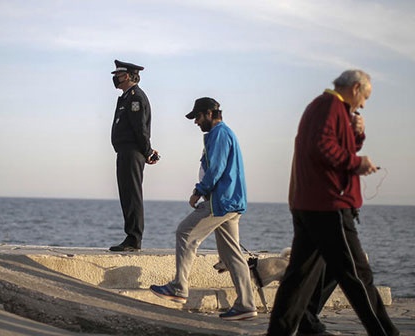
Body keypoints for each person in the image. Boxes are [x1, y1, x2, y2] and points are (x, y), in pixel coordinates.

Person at [266, 70, 399, 335]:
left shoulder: (323, 108)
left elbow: (333, 146)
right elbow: (322, 147)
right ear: (356, 87)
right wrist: (358, 163)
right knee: (358, 277)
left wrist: (357, 135)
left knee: (299, 278)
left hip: (309, 204)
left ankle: (286, 330)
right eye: (365, 98)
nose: (363, 105)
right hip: (329, 206)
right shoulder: (330, 107)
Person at [149, 97, 257, 321]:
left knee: (185, 233)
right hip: (232, 202)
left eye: (197, 117)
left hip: (221, 201)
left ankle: (179, 288)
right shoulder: (226, 133)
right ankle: (246, 304)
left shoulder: (219, 134)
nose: (196, 122)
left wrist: (199, 190)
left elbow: (216, 168)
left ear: (209, 113)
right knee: (232, 254)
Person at [109, 60, 159, 252]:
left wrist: (147, 151)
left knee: (132, 194)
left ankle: (134, 238)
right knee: (126, 194)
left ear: (127, 76)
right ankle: (131, 236)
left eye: (118, 75)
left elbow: (140, 129)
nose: (115, 78)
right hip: (124, 151)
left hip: (132, 152)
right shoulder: (126, 97)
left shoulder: (135, 98)